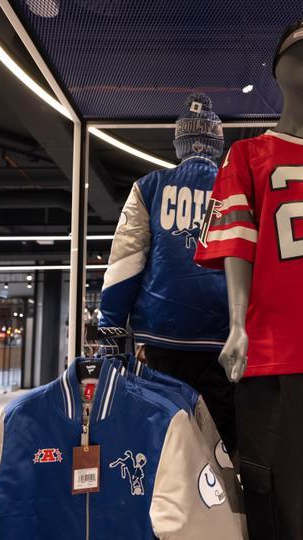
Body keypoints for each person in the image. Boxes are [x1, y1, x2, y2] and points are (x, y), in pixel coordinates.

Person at [98, 92, 235, 452]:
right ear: (218, 145)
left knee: (166, 437)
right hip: (225, 336)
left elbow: (125, 262)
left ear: (179, 143)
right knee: (220, 441)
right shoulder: (238, 188)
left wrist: (111, 327)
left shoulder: (149, 187)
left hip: (162, 334)